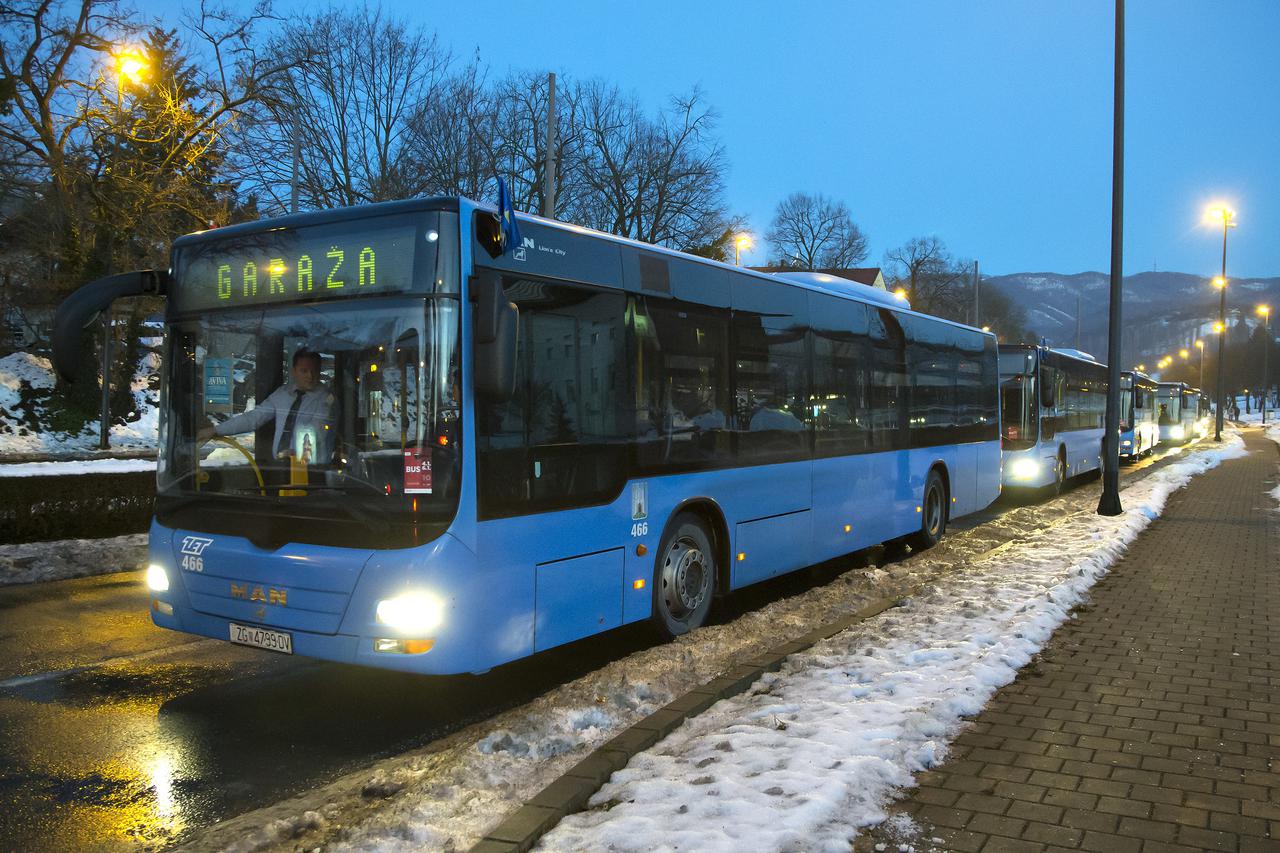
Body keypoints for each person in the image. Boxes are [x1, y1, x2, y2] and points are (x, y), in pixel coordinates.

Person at [197, 348, 336, 463]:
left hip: (312, 473)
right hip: (281, 469)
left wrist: (297, 453)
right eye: (304, 371)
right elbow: (254, 417)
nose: (310, 376)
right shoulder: (283, 394)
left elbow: (318, 431)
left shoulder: (326, 399)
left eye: (314, 371)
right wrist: (217, 430)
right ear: (294, 371)